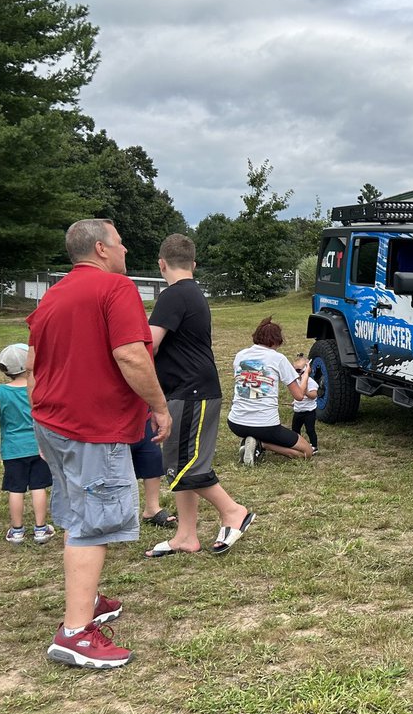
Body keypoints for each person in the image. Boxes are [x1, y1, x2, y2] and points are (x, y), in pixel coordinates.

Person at [28, 219, 171, 669]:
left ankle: (85, 599)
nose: (126, 248)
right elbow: (131, 354)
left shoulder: (52, 295)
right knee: (94, 524)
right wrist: (159, 407)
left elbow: (34, 363)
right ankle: (75, 634)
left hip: (53, 422)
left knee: (75, 511)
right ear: (102, 249)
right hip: (94, 427)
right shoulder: (115, 289)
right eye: (121, 241)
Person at [145, 233, 254, 558]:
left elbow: (149, 343)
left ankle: (233, 511)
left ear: (161, 264)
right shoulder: (192, 293)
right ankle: (186, 536)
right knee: (182, 464)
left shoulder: (173, 295)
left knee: (185, 465)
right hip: (192, 389)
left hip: (190, 392)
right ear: (193, 264)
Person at [0, 343, 55, 544]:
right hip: (39, 447)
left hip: (12, 451)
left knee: (16, 489)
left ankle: (17, 532)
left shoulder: (1, 392)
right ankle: (41, 529)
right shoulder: (39, 388)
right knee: (38, 487)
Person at [228, 317, 314, 464]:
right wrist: (305, 374)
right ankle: (262, 444)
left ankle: (252, 442)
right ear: (276, 341)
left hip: (236, 423)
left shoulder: (240, 355)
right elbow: (299, 395)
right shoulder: (278, 358)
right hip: (265, 425)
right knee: (307, 452)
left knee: (255, 428)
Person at [131, 414, 177, 529]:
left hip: (142, 412)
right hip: (113, 416)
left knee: (152, 456)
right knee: (120, 463)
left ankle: (152, 509)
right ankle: (122, 513)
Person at [290, 354, 320, 456]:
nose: (296, 373)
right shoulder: (296, 382)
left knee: (310, 430)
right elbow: (296, 396)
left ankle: (314, 446)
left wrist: (305, 392)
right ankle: (297, 444)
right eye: (294, 370)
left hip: (309, 412)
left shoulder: (311, 382)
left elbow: (314, 395)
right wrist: (294, 402)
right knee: (295, 429)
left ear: (306, 370)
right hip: (298, 411)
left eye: (298, 370)